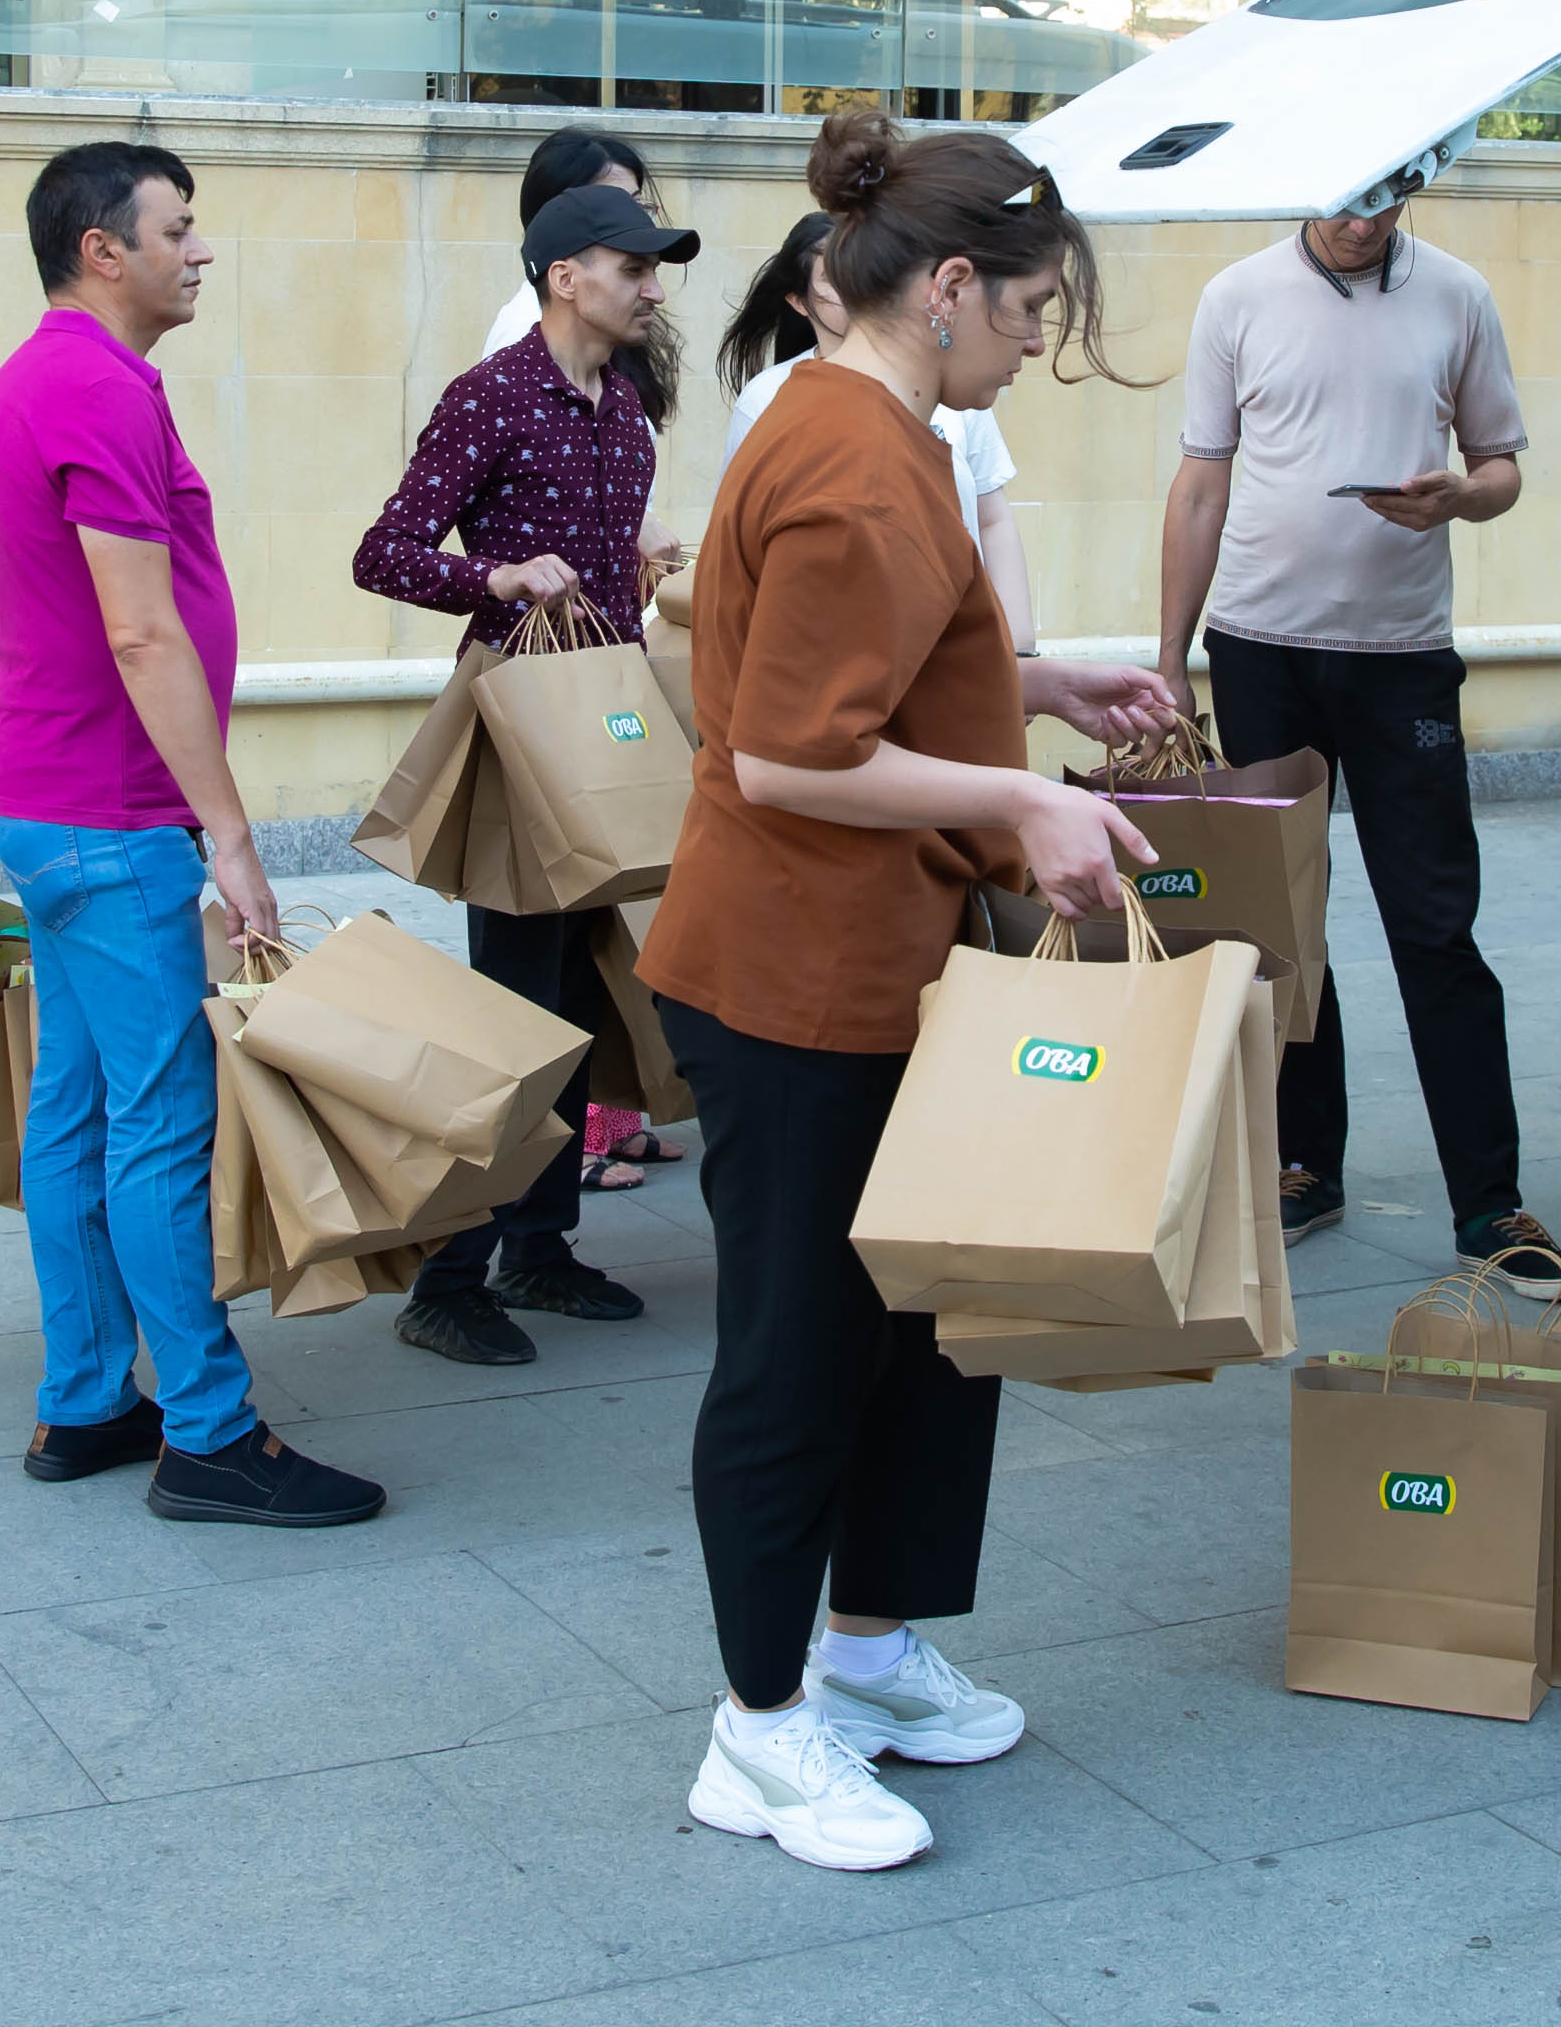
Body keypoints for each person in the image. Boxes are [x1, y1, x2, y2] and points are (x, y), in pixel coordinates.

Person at [637, 113, 1178, 1873]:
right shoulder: (865, 461)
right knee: (802, 1357)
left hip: (883, 962)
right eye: (1028, 316)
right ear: (946, 288)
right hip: (799, 978)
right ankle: (759, 1727)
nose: (1035, 348)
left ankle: (862, 1653)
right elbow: (791, 757)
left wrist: (1033, 681)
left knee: (928, 1332)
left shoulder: (854, 414)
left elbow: (881, 671)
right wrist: (1022, 794)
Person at [0, 141, 383, 1530]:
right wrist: (231, 835)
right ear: (104, 248)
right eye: (177, 229)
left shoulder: (52, 379)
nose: (198, 251)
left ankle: (85, 1400)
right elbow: (141, 630)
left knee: (77, 1108)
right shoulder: (90, 385)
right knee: (155, 1124)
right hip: (114, 812)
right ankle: (206, 1429)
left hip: (54, 799)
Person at [1155, 196, 1561, 1296]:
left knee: (1435, 927)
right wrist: (1168, 661)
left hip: (1401, 658)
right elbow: (1201, 483)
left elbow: (1502, 467)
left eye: (1389, 193)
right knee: (1281, 924)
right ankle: (1306, 1165)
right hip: (1256, 646)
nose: (1365, 217)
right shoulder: (1236, 296)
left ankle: (1489, 1204)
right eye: (1347, 197)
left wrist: (1461, 499)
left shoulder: (1456, 293)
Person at [354, 177, 703, 1365]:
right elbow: (384, 553)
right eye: (634, 266)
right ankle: (446, 1279)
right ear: (566, 276)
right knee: (511, 1009)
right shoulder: (490, 398)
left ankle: (539, 1249)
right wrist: (495, 579)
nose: (654, 287)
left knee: (584, 996)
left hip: (603, 728)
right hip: (516, 736)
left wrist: (645, 556)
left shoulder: (624, 409)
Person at [720, 211, 1042, 653]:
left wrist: (1020, 654)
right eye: (837, 279)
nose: (1034, 342)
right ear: (799, 301)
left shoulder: (952, 392)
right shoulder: (769, 399)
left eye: (868, 273)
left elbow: (993, 517)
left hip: (961, 661)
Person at [484, 124, 685, 429]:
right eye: (613, 204)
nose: (655, 293)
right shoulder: (522, 337)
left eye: (638, 204)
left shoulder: (610, 348)